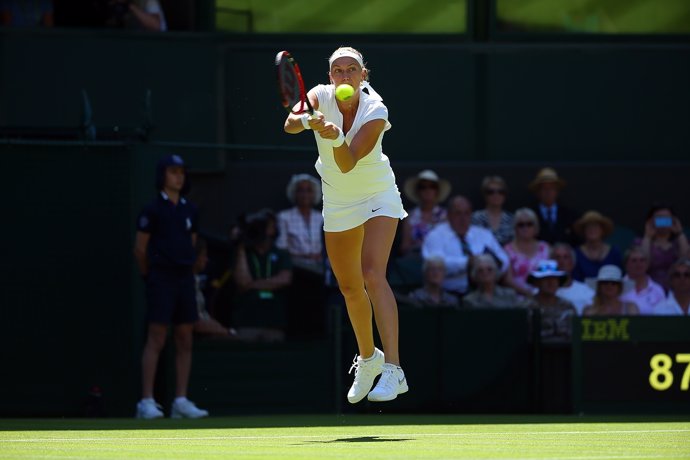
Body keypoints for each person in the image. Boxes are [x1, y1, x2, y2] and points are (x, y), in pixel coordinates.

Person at [283, 46, 408, 403]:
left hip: (377, 194)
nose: (344, 76)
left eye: (352, 69)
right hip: (338, 199)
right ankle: (369, 359)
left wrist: (335, 134)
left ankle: (394, 370)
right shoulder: (320, 96)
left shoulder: (375, 109)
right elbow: (290, 122)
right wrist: (310, 120)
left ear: (363, 75)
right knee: (350, 288)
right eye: (338, 70)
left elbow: (349, 161)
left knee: (372, 273)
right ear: (330, 77)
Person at [133, 154, 208, 419]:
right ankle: (146, 401)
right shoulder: (152, 210)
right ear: (162, 175)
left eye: (182, 172)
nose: (179, 176)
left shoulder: (190, 210)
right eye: (173, 171)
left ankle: (180, 400)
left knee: (185, 337)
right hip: (161, 278)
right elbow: (140, 250)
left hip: (184, 278)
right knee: (156, 337)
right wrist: (150, 275)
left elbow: (191, 243)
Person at [422, 195, 509, 298]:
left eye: (467, 213)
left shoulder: (483, 234)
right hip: (447, 294)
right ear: (449, 215)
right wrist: (467, 262)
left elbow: (504, 260)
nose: (463, 218)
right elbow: (435, 264)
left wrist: (484, 267)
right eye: (458, 213)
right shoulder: (435, 235)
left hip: (482, 294)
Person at [232, 209, 292, 343]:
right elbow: (242, 282)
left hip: (274, 323)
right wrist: (240, 246)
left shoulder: (281, 254)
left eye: (268, 226)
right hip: (246, 322)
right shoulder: (244, 254)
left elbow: (284, 279)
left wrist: (252, 284)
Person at [637, 203, 689, 292]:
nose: (663, 221)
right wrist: (647, 237)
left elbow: (686, 262)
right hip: (650, 290)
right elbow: (643, 265)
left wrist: (679, 233)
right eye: (659, 218)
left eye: (666, 218)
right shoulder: (640, 243)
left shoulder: (680, 242)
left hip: (678, 290)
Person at [192, 238, 238, 338]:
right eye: (203, 255)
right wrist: (228, 333)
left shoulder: (196, 281)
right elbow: (196, 324)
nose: (206, 259)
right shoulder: (185, 286)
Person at [276, 173, 324, 269]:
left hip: (320, 268)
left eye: (308, 190)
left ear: (314, 194)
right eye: (301, 190)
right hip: (295, 268)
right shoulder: (284, 217)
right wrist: (305, 257)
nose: (305, 194)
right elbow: (281, 248)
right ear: (295, 193)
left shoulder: (321, 217)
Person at [399, 169, 450, 256]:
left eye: (432, 186)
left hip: (441, 260)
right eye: (423, 187)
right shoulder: (410, 216)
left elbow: (449, 243)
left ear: (437, 191)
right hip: (416, 260)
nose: (428, 190)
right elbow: (404, 246)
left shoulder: (445, 216)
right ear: (418, 191)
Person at [525, 260, 577, 343]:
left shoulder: (568, 306)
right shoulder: (526, 307)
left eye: (554, 279)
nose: (551, 283)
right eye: (545, 279)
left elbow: (575, 335)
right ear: (537, 282)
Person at [503, 208, 550, 296]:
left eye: (529, 224)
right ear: (515, 228)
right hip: (517, 299)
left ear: (536, 227)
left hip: (543, 297)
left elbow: (550, 275)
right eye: (521, 225)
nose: (525, 228)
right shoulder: (507, 249)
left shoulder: (545, 248)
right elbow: (507, 280)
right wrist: (529, 293)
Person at [528, 167, 577, 245]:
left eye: (552, 188)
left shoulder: (570, 215)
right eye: (544, 189)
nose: (548, 192)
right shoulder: (530, 215)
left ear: (557, 191)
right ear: (537, 192)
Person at [572, 210, 622, 282]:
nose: (592, 229)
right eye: (588, 227)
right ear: (583, 231)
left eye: (595, 226)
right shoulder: (576, 253)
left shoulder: (614, 252)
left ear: (602, 230)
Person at [620, 246, 666, 315]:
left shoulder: (657, 290)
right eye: (634, 260)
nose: (638, 264)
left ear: (647, 264)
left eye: (642, 260)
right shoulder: (617, 288)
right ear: (626, 265)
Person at [551, 243, 594, 316]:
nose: (561, 261)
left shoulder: (586, 293)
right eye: (557, 257)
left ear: (573, 263)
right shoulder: (540, 292)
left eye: (566, 257)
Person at [471, 175, 514, 246]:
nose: (496, 195)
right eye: (491, 192)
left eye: (500, 192)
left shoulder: (511, 219)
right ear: (484, 195)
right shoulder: (475, 218)